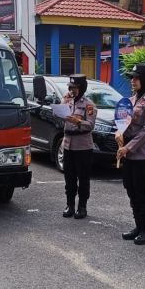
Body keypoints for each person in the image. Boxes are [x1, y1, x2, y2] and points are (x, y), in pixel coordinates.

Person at [117, 64, 145, 245]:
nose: (132, 81)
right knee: (131, 190)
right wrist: (118, 134)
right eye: (131, 78)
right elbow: (122, 122)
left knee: (143, 192)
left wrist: (128, 147)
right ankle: (138, 225)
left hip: (144, 155)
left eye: (136, 78)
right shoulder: (129, 101)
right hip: (129, 154)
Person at [61, 74, 97, 219]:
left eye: (75, 88)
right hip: (68, 144)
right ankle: (69, 205)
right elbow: (57, 114)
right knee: (69, 178)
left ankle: (82, 207)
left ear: (81, 89)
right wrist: (63, 102)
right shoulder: (67, 102)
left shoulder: (89, 105)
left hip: (82, 146)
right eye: (70, 87)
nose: (72, 90)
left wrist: (78, 122)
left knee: (83, 178)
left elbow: (91, 125)